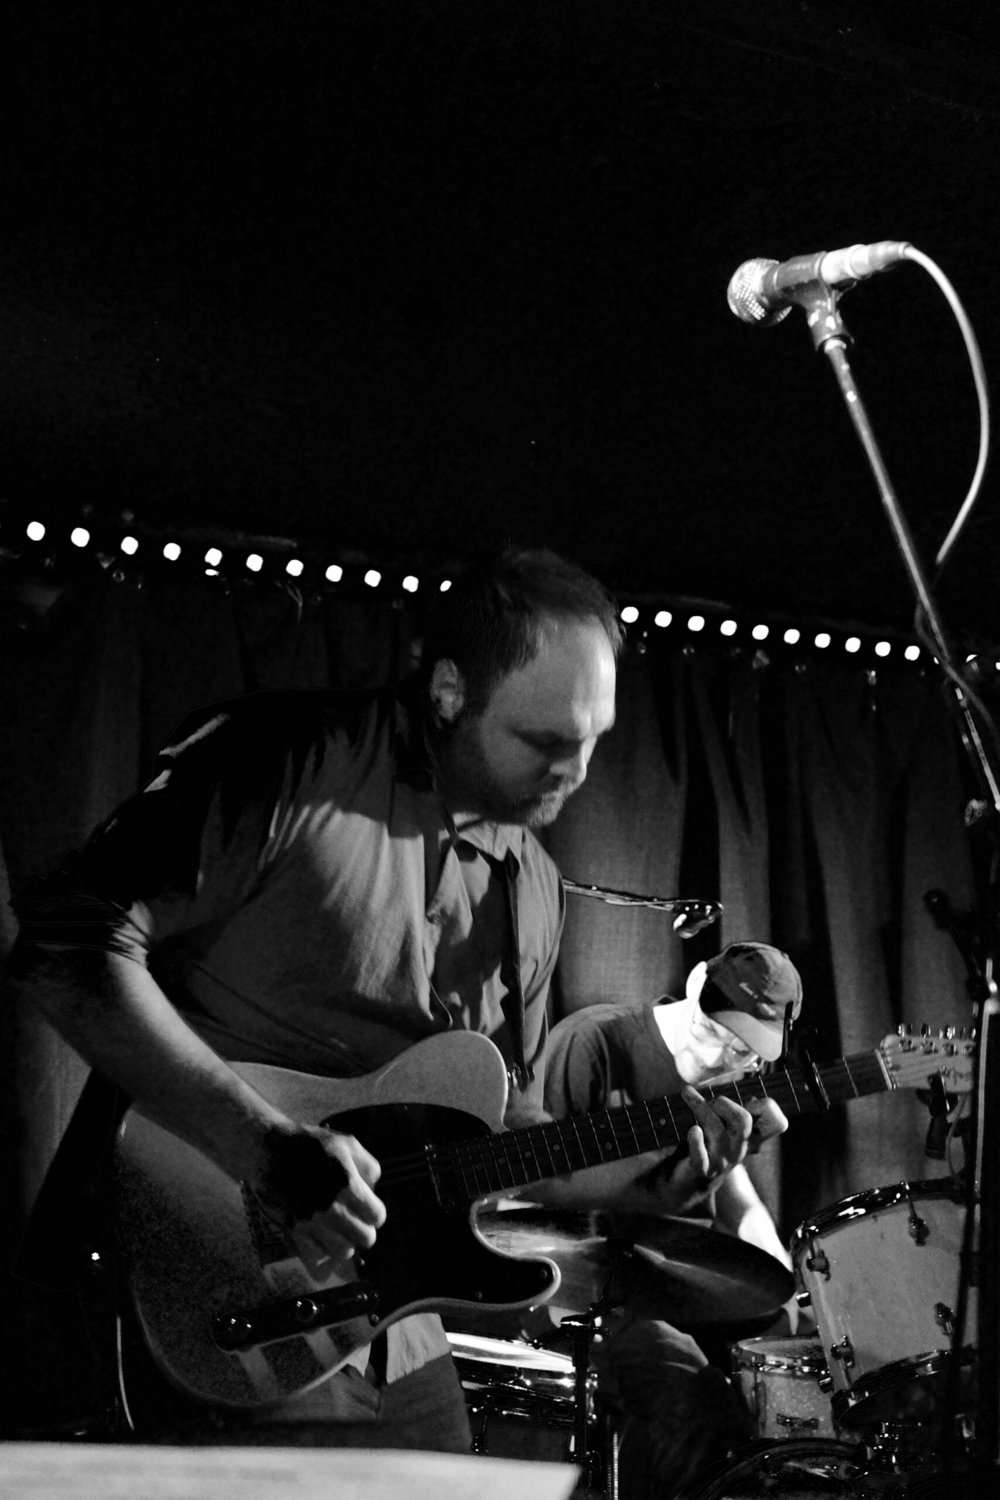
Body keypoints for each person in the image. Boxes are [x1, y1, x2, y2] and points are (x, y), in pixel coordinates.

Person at [3, 547, 787, 1456]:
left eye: (594, 739)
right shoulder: (296, 760)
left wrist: (657, 1180)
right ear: (449, 691)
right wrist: (266, 1148)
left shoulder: (533, 886)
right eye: (546, 741)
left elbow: (504, 1143)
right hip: (194, 1280)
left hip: (388, 1328)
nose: (575, 770)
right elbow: (66, 943)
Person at [540, 942, 806, 1499]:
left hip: (671, 1292)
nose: (722, 1056)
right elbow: (535, 1197)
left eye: (745, 1050)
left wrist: (791, 1304)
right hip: (580, 1298)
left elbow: (739, 1201)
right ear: (694, 984)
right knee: (692, 1406)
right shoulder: (593, 1043)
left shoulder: (728, 1082)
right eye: (716, 1031)